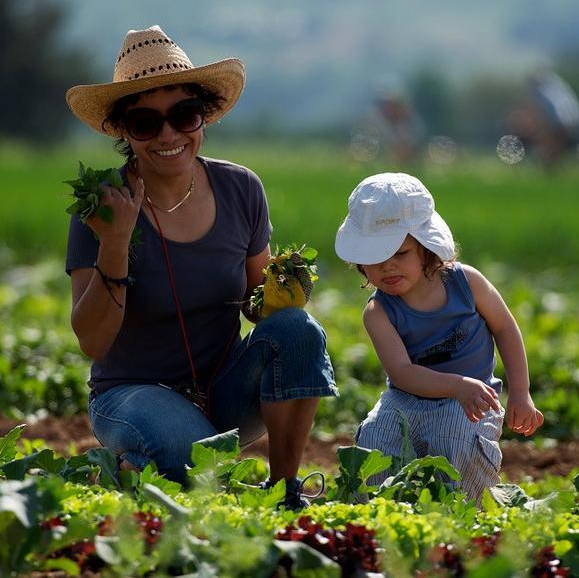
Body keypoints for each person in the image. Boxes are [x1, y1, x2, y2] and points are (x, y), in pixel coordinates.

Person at [65, 25, 337, 507]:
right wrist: (114, 242)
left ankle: (283, 489)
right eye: (146, 123)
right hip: (131, 395)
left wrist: (283, 288)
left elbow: (262, 311)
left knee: (301, 330)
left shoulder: (241, 189)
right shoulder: (101, 204)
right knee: (190, 454)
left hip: (223, 389)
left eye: (184, 115)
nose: (168, 135)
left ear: (204, 117)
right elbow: (93, 341)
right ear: (125, 131)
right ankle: (138, 461)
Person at [334, 173, 543, 501]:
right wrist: (453, 384)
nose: (387, 267)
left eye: (400, 254)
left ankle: (463, 512)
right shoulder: (379, 312)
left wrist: (520, 391)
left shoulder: (467, 283)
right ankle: (378, 512)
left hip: (471, 401)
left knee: (455, 440)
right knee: (375, 439)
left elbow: (504, 327)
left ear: (425, 248)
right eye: (375, 258)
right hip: (406, 399)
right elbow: (401, 373)